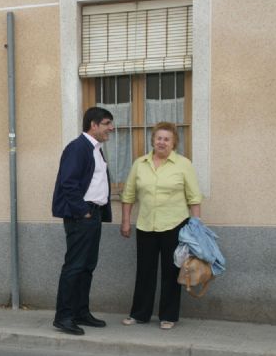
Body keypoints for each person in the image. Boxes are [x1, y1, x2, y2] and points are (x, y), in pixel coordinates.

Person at [120, 121, 202, 330]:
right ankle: (139, 314)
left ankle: (168, 316)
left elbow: (194, 198)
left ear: (174, 143)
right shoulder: (140, 164)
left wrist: (196, 227)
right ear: (153, 140)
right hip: (146, 225)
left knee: (171, 272)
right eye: (159, 138)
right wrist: (126, 220)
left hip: (175, 225)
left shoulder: (183, 164)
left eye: (167, 139)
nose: (162, 142)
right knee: (144, 272)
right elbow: (128, 195)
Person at [51, 107, 114, 335]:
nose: (111, 128)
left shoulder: (95, 149)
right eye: (107, 123)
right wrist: (83, 211)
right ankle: (64, 317)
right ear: (93, 125)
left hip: (93, 215)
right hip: (82, 216)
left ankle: (80, 312)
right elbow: (68, 182)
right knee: (75, 266)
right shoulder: (77, 148)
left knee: (87, 266)